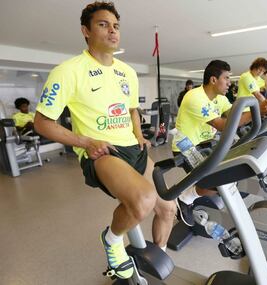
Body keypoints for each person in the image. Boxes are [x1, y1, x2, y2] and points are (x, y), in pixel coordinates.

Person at [33, 2, 176, 280]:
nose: (112, 30)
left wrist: (139, 135)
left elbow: (132, 109)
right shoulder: (68, 70)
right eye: (103, 24)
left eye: (116, 26)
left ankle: (157, 256)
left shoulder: (128, 71)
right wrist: (85, 142)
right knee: (144, 200)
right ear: (85, 31)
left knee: (168, 207)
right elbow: (42, 122)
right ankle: (112, 240)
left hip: (134, 149)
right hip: (102, 152)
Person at [172, 60, 267, 226]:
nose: (230, 83)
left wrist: (261, 108)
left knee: (225, 176)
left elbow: (235, 115)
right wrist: (257, 111)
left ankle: (190, 194)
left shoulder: (219, 99)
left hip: (206, 144)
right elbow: (223, 125)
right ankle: (184, 197)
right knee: (215, 182)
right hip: (186, 146)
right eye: (227, 78)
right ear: (213, 80)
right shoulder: (194, 97)